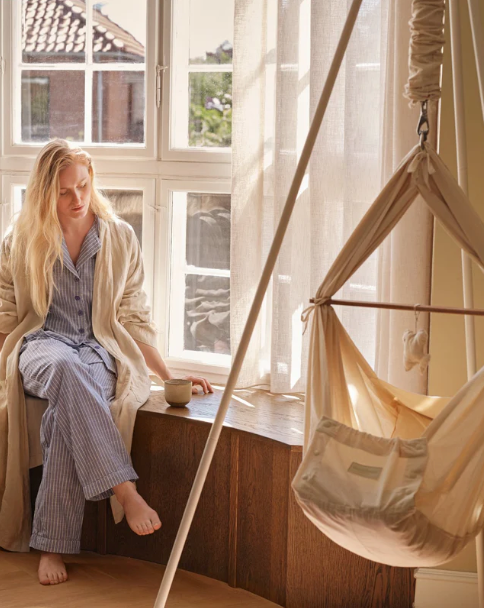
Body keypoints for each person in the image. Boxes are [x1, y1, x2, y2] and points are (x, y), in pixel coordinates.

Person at [0, 139, 213, 586]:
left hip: (100, 349)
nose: (77, 198)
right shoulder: (19, 242)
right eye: (64, 191)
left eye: (82, 185)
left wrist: (169, 377)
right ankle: (125, 490)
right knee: (66, 369)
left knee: (65, 414)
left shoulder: (119, 238)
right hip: (42, 346)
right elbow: (5, 320)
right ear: (44, 192)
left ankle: (52, 545)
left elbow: (133, 318)